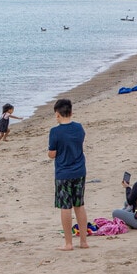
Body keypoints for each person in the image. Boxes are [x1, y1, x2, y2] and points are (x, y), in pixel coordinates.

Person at [47, 99, 89, 251]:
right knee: (79, 205)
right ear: (71, 112)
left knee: (65, 206)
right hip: (79, 170)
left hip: (64, 172)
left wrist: (55, 152)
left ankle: (69, 243)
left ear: (57, 114)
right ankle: (83, 241)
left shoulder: (55, 132)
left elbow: (52, 154)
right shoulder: (78, 128)